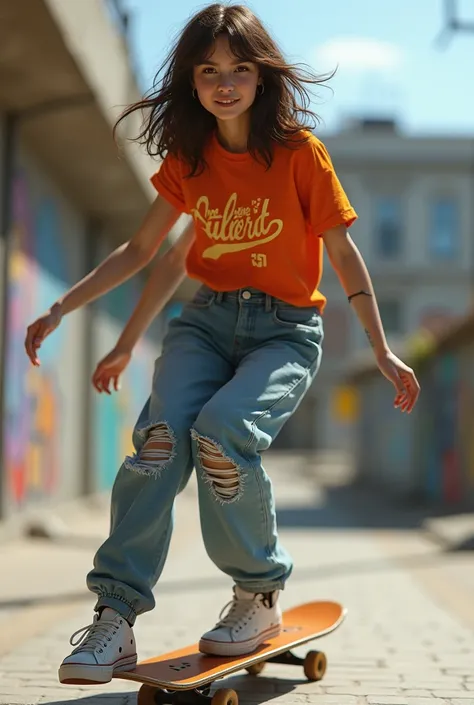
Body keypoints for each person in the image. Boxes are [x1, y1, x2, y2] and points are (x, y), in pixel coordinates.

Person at [24, 2, 420, 686]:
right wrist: (74, 313)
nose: (225, 83)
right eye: (209, 72)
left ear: (261, 77)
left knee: (222, 433)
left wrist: (381, 348)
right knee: (158, 441)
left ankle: (258, 594)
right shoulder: (191, 158)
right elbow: (150, 252)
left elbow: (344, 254)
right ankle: (114, 617)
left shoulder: (300, 154)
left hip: (286, 329)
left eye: (239, 69)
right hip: (206, 323)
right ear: (193, 82)